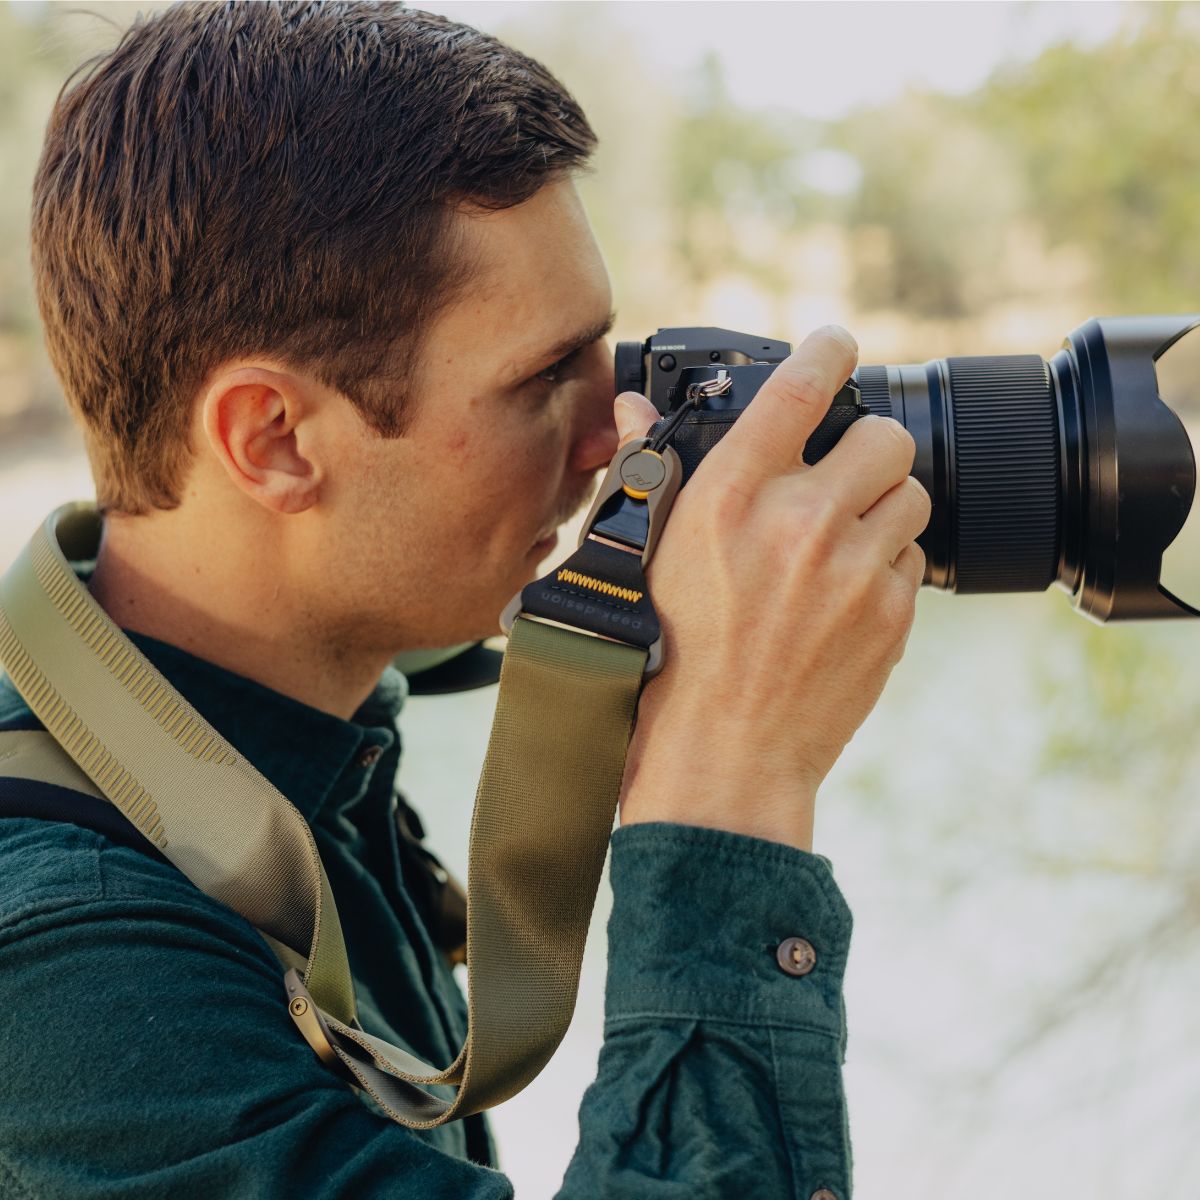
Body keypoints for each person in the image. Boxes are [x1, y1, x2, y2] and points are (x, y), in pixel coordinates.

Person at [0, 3, 929, 1197]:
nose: (615, 437)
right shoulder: (66, 973)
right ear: (275, 440)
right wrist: (731, 780)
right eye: (544, 377)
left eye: (611, 354)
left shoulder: (247, 745)